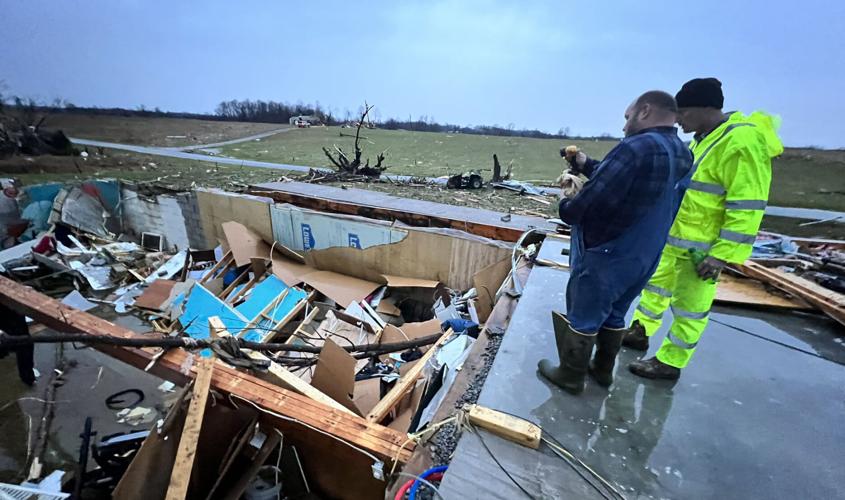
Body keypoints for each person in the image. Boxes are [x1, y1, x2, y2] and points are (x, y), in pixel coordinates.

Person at [625, 78, 784, 379]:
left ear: (705, 108)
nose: (678, 120)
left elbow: (747, 205)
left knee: (690, 306)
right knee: (655, 288)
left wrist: (721, 254)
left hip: (703, 249)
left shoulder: (741, 143)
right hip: (676, 239)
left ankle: (671, 361)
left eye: (682, 113)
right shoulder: (705, 137)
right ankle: (639, 330)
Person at [538, 91, 693, 394]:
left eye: (627, 117)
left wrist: (566, 201)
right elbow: (620, 181)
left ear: (645, 111)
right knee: (615, 311)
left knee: (584, 314)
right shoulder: (681, 151)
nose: (624, 127)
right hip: (644, 255)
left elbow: (588, 204)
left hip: (607, 252)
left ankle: (570, 375)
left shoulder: (634, 148)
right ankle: (602, 369)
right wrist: (584, 163)